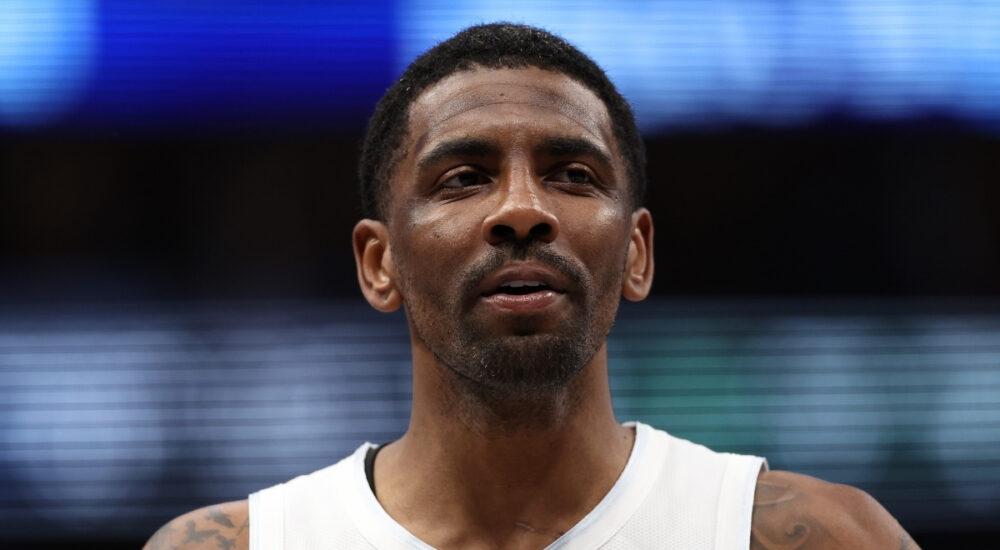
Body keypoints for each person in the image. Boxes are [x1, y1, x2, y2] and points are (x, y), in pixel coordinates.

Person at [144, 23, 918, 550]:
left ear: (638, 252)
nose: (522, 209)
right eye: (465, 178)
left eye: (572, 175)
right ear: (379, 265)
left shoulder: (821, 538)